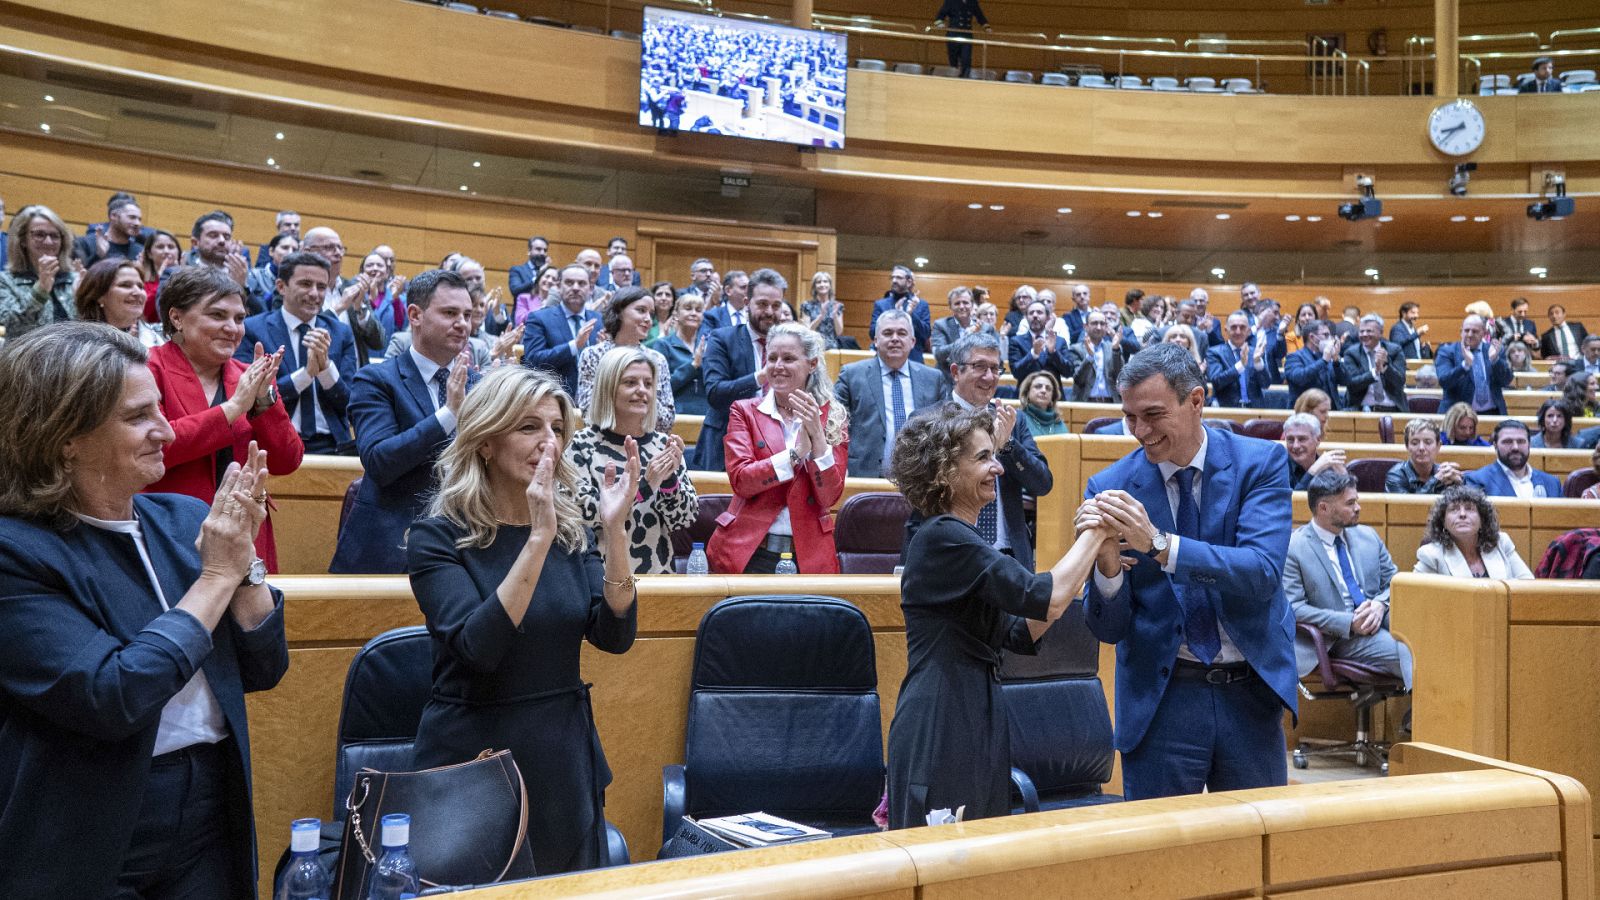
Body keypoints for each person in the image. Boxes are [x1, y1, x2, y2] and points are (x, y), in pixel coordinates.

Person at [0, 322, 288, 898]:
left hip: (210, 801)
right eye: (137, 417)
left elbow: (264, 667)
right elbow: (114, 695)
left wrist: (247, 564)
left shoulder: (182, 518)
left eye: (160, 408)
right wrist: (217, 576)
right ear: (64, 437)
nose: (165, 430)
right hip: (87, 822)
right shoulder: (15, 550)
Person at [408, 365, 639, 875]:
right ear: (486, 441)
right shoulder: (438, 537)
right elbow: (479, 646)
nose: (548, 442)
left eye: (556, 428)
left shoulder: (569, 529)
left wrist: (614, 533)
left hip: (563, 759)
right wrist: (536, 539)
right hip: (474, 764)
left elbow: (614, 634)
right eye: (529, 427)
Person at [1079, 342, 1298, 800]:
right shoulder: (1110, 487)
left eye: (1153, 415)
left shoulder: (1260, 463)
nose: (1140, 431)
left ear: (1195, 401)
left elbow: (1260, 574)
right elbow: (1108, 628)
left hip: (1249, 695)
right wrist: (1107, 572)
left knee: (1250, 855)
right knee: (1161, 858)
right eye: (1130, 416)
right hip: (1163, 699)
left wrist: (1159, 546)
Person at [885, 404, 1112, 829]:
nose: (999, 468)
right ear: (944, 471)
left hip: (975, 706)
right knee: (947, 864)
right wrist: (1096, 529)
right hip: (943, 718)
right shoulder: (944, 537)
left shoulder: (956, 536)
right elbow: (1048, 597)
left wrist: (1091, 553)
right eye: (983, 458)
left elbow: (1019, 630)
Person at [145, 266, 304, 572]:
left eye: (239, 318)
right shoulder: (146, 369)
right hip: (169, 529)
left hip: (244, 532)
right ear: (177, 318)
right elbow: (156, 445)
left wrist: (262, 402)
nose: (232, 328)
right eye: (217, 315)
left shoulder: (250, 374)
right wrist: (232, 409)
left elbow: (288, 461)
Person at [331, 269, 477, 574]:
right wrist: (448, 414)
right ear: (415, 315)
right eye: (450, 313)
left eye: (468, 314)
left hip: (468, 546)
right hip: (393, 545)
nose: (463, 324)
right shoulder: (376, 379)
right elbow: (380, 462)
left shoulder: (479, 385)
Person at [905, 332, 1053, 570]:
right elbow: (919, 490)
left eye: (995, 369)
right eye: (980, 367)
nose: (989, 377)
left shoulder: (1013, 420)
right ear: (955, 372)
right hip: (947, 553)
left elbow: (1042, 484)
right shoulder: (926, 420)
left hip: (1007, 556)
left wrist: (1006, 446)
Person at [708, 323, 848, 574]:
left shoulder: (834, 417)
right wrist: (794, 455)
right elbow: (741, 481)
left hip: (808, 554)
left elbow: (829, 497)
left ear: (812, 364)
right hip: (749, 552)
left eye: (789, 358)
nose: (778, 366)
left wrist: (816, 435)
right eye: (772, 358)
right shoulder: (744, 411)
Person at [570, 347, 697, 575]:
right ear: (608, 388)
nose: (642, 391)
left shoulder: (664, 445)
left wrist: (668, 482)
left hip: (657, 576)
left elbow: (684, 519)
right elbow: (583, 515)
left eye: (648, 384)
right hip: (600, 576)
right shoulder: (580, 444)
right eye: (630, 383)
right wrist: (645, 486)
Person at [1286, 471, 1413, 690]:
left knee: (1427, 635)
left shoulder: (1367, 536)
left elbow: (1395, 582)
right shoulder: (1293, 547)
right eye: (1350, 503)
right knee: (1413, 652)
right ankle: (1426, 719)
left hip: (1379, 617)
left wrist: (1380, 605)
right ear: (1324, 508)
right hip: (1337, 637)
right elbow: (1293, 608)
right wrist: (1348, 623)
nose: (1358, 508)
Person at [237, 251, 358, 455]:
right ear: (281, 287)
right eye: (305, 284)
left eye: (321, 287)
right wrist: (306, 374)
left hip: (333, 445)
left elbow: (350, 404)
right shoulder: (253, 329)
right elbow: (249, 399)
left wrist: (326, 369)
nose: (314, 293)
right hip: (273, 444)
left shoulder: (340, 332)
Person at [834, 308, 945, 478]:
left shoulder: (933, 379)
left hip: (920, 481)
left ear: (913, 341)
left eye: (902, 333)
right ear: (876, 341)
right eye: (888, 333)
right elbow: (834, 426)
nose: (895, 339)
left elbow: (943, 430)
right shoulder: (851, 375)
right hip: (864, 476)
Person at [700, 267, 787, 471]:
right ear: (747, 303)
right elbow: (715, 393)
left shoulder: (789, 344)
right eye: (763, 304)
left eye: (776, 305)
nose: (769, 312)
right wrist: (761, 377)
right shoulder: (722, 339)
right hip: (726, 445)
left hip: (777, 448)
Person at [575, 286, 676, 433]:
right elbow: (589, 412)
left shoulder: (657, 359)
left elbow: (666, 421)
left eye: (651, 313)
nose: (648, 319)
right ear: (619, 312)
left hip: (646, 444)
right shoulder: (593, 355)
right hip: (602, 444)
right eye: (641, 310)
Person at [1414, 485, 1535, 579]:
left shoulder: (1501, 543)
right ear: (1444, 522)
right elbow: (1413, 597)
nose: (1462, 514)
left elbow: (1527, 585)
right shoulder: (1431, 555)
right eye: (1454, 509)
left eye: (1469, 509)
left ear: (1482, 519)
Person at [522, 262, 602, 397]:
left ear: (590, 289)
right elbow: (532, 361)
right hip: (556, 399)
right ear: (558, 287)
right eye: (569, 283)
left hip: (596, 401)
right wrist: (574, 346)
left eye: (582, 283)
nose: (576, 288)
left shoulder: (600, 320)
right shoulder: (540, 318)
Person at [0, 204, 78, 336]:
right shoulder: (5, 281)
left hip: (72, 355)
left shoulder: (74, 279)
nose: (48, 242)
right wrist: (40, 291)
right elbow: (14, 327)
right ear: (23, 240)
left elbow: (90, 330)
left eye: (55, 236)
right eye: (39, 235)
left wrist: (84, 299)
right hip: (26, 356)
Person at [75, 259, 165, 348]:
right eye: (125, 285)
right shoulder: (78, 345)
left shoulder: (162, 336)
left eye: (140, 286)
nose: (138, 292)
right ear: (99, 295)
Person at [648, 289, 708, 417]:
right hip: (675, 414)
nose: (693, 313)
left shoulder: (708, 346)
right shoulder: (663, 345)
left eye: (698, 310)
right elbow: (660, 388)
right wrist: (693, 366)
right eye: (688, 308)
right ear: (676, 314)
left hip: (706, 414)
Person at [1464, 419, 1561, 498]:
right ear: (1495, 446)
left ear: (1529, 445)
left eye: (1521, 441)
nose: (1515, 447)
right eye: (1507, 442)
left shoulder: (1552, 483)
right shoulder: (1477, 481)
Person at [1437, 314, 1512, 417]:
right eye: (1466, 330)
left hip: (1492, 413)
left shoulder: (1494, 350)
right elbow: (1444, 381)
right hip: (1457, 415)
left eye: (1475, 331)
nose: (1470, 334)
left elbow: (1506, 380)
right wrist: (1464, 366)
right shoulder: (1448, 351)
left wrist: (1495, 361)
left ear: (1484, 333)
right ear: (1461, 331)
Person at [1341, 314, 1407, 412]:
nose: (1364, 334)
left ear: (1381, 333)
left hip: (1392, 408)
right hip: (1361, 410)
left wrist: (1386, 366)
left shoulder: (1394, 350)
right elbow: (1352, 385)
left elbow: (1400, 382)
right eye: (1361, 331)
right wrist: (1374, 372)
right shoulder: (1351, 353)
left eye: (1369, 331)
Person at [1207, 311, 1272, 408]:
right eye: (1233, 327)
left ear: (1249, 331)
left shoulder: (1256, 353)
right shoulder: (1214, 352)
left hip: (1254, 410)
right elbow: (1217, 382)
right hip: (1226, 410)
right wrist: (1240, 365)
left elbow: (1265, 384)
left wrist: (1258, 362)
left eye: (1242, 327)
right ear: (1226, 329)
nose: (1238, 331)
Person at [870, 265, 933, 361]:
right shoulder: (880, 304)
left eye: (898, 277)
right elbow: (872, 333)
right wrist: (894, 316)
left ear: (909, 282)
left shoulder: (921, 304)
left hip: (913, 360)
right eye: (892, 277)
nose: (894, 280)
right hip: (885, 359)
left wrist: (911, 315)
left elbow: (926, 334)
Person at [1385, 419, 1464, 494]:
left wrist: (1459, 485)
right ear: (1407, 446)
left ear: (1438, 446)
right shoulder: (1396, 475)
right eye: (1415, 443)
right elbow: (1408, 507)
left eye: (1428, 442)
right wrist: (1436, 480)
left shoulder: (1445, 473)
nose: (1421, 448)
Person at [1066, 308, 1124, 403]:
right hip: (1085, 403)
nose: (1099, 327)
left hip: (1111, 403)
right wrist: (1089, 357)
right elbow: (1078, 379)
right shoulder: (1076, 349)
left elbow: (1120, 377)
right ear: (1086, 326)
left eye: (1102, 324)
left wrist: (1116, 350)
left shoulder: (1113, 347)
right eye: (1094, 323)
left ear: (1106, 327)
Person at [1284, 320, 1344, 411]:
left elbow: (1344, 381)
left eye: (1330, 335)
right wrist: (1323, 361)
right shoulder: (1294, 357)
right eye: (1326, 335)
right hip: (1305, 413)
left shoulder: (1329, 357)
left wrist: (1336, 361)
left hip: (1332, 412)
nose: (1330, 339)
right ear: (1312, 337)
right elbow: (1299, 378)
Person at [1010, 298, 1073, 383]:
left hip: (1054, 394)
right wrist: (1033, 354)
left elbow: (1068, 372)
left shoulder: (1059, 341)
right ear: (1026, 318)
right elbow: (1016, 372)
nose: (1035, 315)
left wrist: (1053, 352)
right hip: (1026, 393)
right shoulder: (1016, 341)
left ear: (1047, 317)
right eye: (1031, 313)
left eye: (1039, 312)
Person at [72, 195, 144, 268]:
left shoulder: (140, 251)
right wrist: (99, 256)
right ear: (113, 216)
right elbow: (80, 276)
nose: (137, 223)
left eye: (139, 219)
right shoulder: (85, 243)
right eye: (132, 217)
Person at [1282, 412, 1344, 490]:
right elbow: (1292, 501)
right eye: (1290, 440)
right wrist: (1312, 471)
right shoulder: (1278, 468)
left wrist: (1343, 476)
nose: (1296, 446)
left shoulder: (1329, 466)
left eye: (1302, 439)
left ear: (1317, 440)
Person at [931, 0, 990, 79]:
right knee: (953, 59)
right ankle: (954, 78)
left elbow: (980, 16)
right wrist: (940, 24)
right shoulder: (951, 1)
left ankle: (965, 78)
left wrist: (986, 27)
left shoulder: (972, 2)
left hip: (967, 35)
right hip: (953, 34)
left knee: (966, 59)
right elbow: (939, 16)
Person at [245, 232, 298, 314]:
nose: (290, 253)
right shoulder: (255, 275)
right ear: (271, 251)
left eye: (295, 250)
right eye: (285, 248)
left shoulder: (298, 282)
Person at [139, 228, 181, 316]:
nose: (166, 251)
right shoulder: (140, 281)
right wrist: (161, 280)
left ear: (178, 252)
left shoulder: (191, 276)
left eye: (171, 247)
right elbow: (145, 312)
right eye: (160, 247)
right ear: (149, 253)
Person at [799, 271, 844, 350]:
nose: (822, 284)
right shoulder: (807, 305)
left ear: (830, 285)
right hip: (812, 347)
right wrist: (820, 317)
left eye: (825, 282)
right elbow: (806, 331)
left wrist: (835, 316)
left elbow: (839, 332)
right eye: (819, 282)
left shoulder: (837, 306)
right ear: (814, 286)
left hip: (832, 348)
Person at [1017, 370, 1068, 438]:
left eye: (1048, 388)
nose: (1043, 391)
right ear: (1027, 392)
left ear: (1052, 396)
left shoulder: (1058, 422)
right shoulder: (1018, 419)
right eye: (1038, 386)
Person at [508, 235, 550, 300]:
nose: (542, 253)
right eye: (538, 249)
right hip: (524, 309)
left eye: (545, 250)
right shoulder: (517, 270)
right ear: (529, 252)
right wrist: (539, 276)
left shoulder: (550, 273)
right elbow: (515, 290)